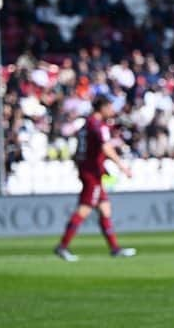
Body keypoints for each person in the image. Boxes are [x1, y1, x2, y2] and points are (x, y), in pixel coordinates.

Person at [54, 94, 136, 261]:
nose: (113, 110)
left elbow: (81, 149)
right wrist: (122, 166)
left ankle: (115, 249)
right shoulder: (98, 125)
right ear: (103, 107)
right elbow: (105, 147)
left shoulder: (86, 124)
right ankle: (62, 246)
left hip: (90, 171)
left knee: (105, 209)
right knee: (84, 209)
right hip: (92, 173)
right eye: (110, 107)